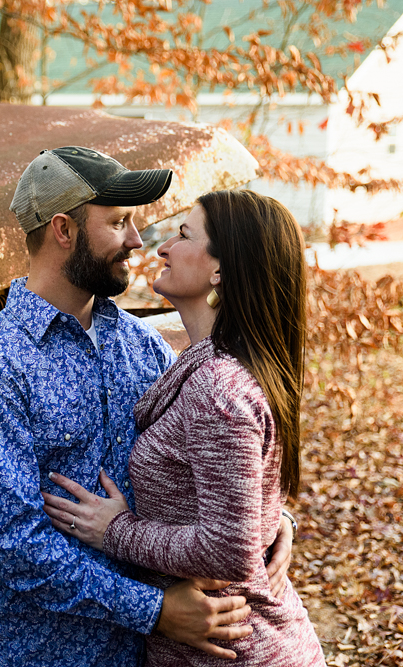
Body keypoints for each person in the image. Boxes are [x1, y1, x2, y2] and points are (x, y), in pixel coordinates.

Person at [0, 148, 297, 667]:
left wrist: (271, 520)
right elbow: (14, 547)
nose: (137, 240)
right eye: (117, 223)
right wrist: (155, 609)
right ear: (63, 230)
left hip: (161, 652)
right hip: (55, 652)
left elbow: (211, 465)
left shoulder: (141, 346)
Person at [41, 189, 325, 666]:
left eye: (184, 234)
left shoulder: (218, 389)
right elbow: (237, 497)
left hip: (238, 650)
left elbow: (227, 550)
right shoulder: (215, 366)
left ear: (220, 271)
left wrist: (116, 531)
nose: (163, 246)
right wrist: (274, 521)